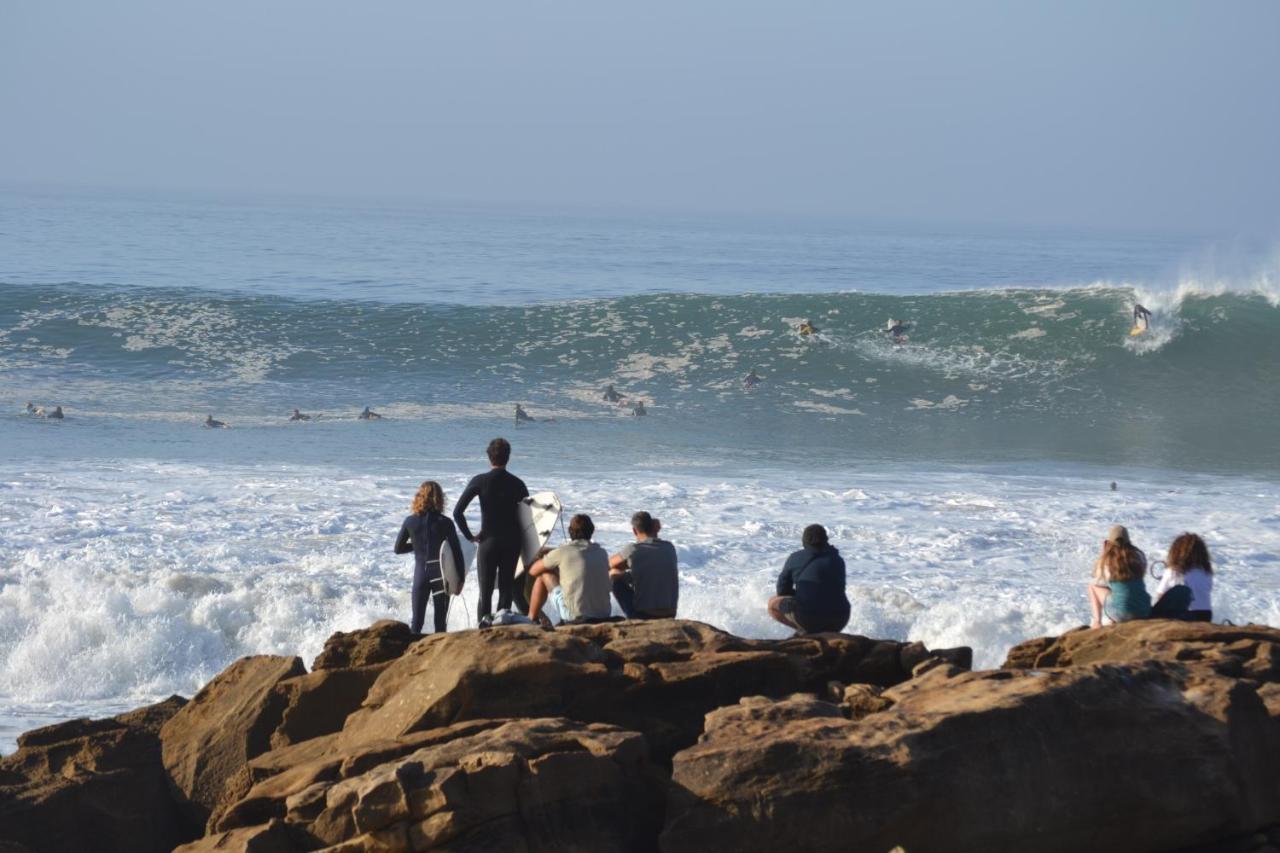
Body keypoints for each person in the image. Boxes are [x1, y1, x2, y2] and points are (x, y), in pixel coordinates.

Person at [453, 438, 530, 620]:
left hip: (488, 542)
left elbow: (457, 512)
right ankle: (502, 630)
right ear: (508, 458)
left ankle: (483, 632)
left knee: (485, 593)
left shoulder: (480, 481)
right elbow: (529, 519)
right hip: (512, 543)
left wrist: (470, 536)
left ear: (489, 457)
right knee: (506, 592)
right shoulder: (518, 484)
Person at [394, 481, 464, 634]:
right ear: (439, 498)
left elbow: (398, 549)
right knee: (440, 623)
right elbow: (457, 552)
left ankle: (411, 656)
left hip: (421, 575)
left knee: (417, 622)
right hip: (440, 576)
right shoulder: (446, 523)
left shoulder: (409, 521)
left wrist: (417, 545)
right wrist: (461, 579)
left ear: (419, 497)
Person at [527, 513, 612, 625]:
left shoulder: (562, 552)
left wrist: (548, 555)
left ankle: (531, 619)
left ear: (570, 531)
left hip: (574, 617)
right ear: (592, 531)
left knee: (544, 575)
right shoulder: (602, 552)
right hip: (604, 614)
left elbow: (533, 570)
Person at [767, 524, 851, 634]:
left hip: (809, 618)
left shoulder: (795, 558)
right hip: (840, 617)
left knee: (772, 603)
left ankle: (803, 631)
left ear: (804, 541)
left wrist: (801, 594)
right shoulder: (837, 559)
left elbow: (782, 590)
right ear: (826, 540)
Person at [609, 511, 678, 619]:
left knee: (614, 573)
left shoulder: (633, 549)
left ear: (634, 530)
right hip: (670, 614)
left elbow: (608, 564)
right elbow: (651, 563)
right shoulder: (669, 547)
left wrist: (621, 568)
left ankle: (597, 610)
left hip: (644, 615)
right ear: (653, 527)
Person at [1087, 525, 1151, 628]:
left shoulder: (1107, 561)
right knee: (1122, 591)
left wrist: (1104, 553)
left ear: (1108, 543)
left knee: (1092, 587)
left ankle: (1097, 623)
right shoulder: (1139, 557)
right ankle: (1114, 620)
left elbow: (1097, 578)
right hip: (1144, 610)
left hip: (1122, 614)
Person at [1154, 533, 1214, 622]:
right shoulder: (1206, 572)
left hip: (1184, 616)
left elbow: (1160, 597)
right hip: (1205, 615)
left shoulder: (1172, 571)